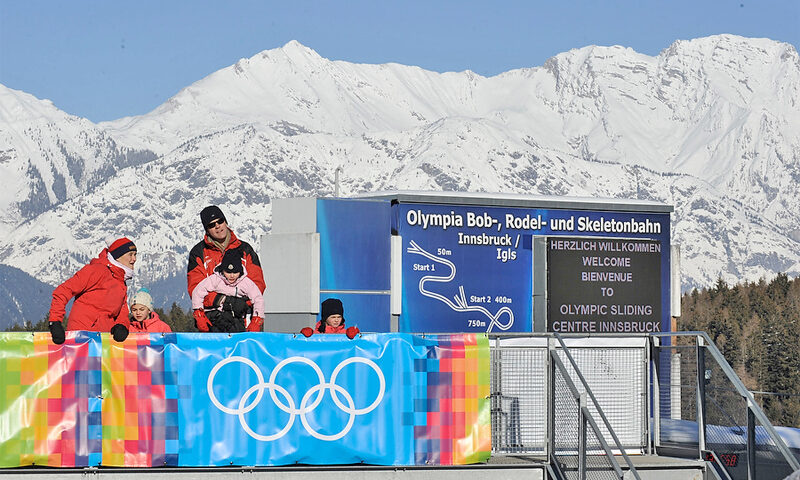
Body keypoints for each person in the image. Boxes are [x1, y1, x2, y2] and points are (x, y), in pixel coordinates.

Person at [187, 205, 265, 331]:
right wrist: (223, 301)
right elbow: (196, 288)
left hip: (244, 320)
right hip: (212, 321)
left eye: (220, 221)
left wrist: (244, 305)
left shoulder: (245, 249)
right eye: (212, 225)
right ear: (207, 230)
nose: (217, 226)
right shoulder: (199, 252)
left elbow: (257, 283)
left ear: (225, 222)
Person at [47, 237, 136, 344]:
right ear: (118, 256)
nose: (134, 259)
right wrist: (55, 322)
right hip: (82, 336)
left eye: (135, 255)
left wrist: (122, 325)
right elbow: (63, 291)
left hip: (104, 339)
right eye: (130, 254)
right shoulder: (97, 271)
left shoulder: (120, 281)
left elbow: (122, 310)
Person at [191, 249, 264, 333]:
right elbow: (198, 292)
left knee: (237, 329)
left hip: (235, 316)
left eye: (235, 272)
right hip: (215, 315)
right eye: (228, 272)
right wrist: (199, 313)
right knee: (217, 327)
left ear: (240, 271)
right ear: (222, 270)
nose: (232, 276)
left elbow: (258, 299)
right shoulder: (215, 279)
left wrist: (256, 320)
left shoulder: (246, 283)